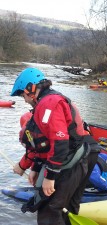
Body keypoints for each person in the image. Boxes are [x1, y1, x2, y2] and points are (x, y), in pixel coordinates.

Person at [11, 67, 100, 225]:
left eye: (22, 94)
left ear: (30, 89)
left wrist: (49, 178)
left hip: (74, 158)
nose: (24, 99)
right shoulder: (48, 102)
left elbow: (60, 142)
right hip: (82, 154)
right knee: (68, 207)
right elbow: (46, 145)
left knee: (49, 209)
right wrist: (36, 169)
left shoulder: (49, 103)